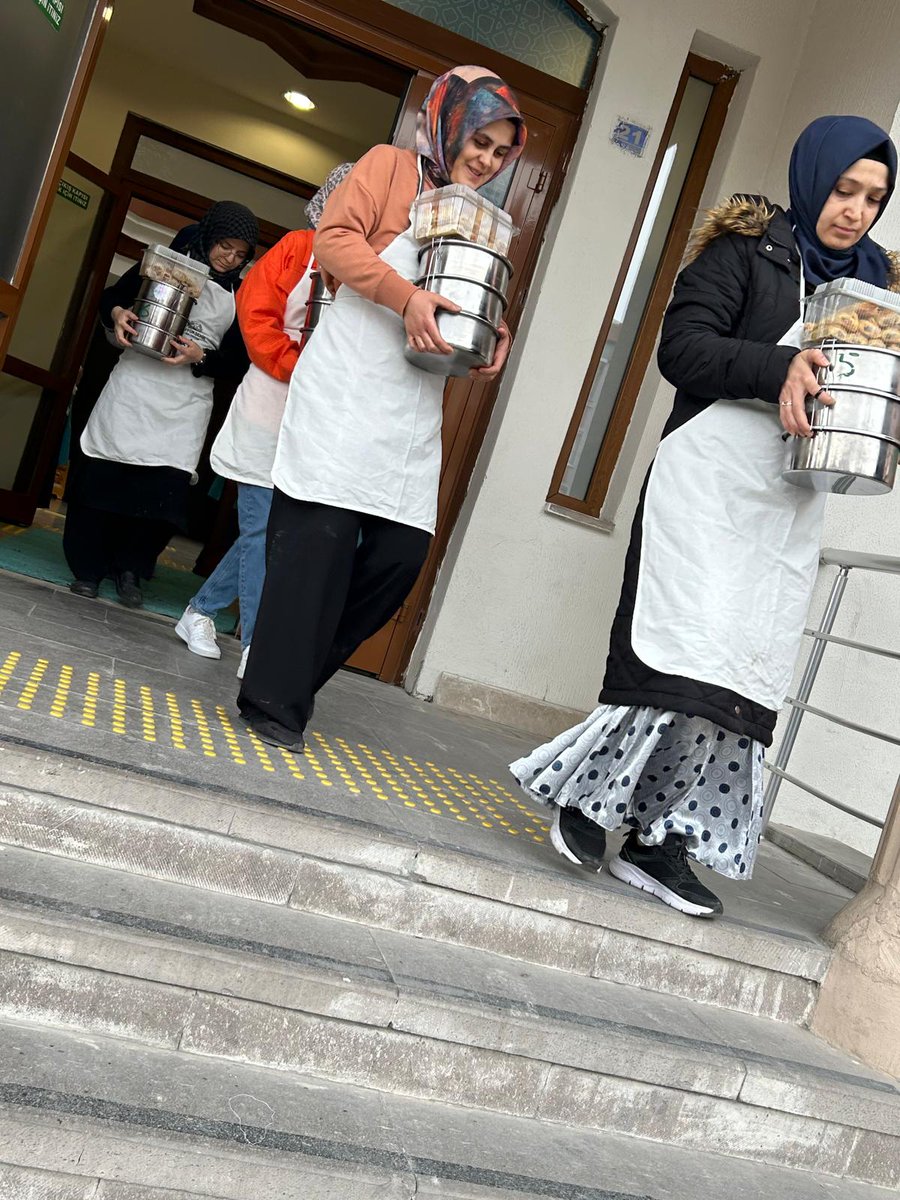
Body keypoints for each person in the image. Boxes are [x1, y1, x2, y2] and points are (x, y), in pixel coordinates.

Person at [511, 116, 898, 918]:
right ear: (812, 176)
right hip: (706, 484)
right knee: (676, 658)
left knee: (736, 683)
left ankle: (663, 842)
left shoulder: (879, 299)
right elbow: (682, 348)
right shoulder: (747, 251)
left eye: (875, 197)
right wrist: (779, 363)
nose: (856, 209)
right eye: (844, 188)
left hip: (785, 509)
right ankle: (590, 802)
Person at [237, 66, 527, 751]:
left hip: (410, 406)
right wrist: (407, 298)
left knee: (400, 555)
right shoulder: (391, 167)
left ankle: (287, 669)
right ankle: (272, 700)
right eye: (478, 140)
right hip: (347, 384)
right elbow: (336, 240)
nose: (484, 159)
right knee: (318, 546)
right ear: (448, 123)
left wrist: (495, 332)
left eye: (498, 150)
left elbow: (471, 293)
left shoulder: (483, 220)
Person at [175, 166, 353, 678]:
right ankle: (256, 647)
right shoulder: (297, 248)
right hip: (268, 403)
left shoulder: (367, 269)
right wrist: (302, 368)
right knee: (261, 529)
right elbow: (257, 318)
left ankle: (200, 611)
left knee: (272, 529)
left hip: (315, 418)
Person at [64, 201, 259, 608]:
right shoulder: (165, 264)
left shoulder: (242, 294)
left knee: (163, 491)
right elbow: (111, 297)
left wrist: (200, 357)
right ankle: (88, 568)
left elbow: (239, 359)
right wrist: (118, 314)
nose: (230, 258)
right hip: (134, 387)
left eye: (241, 254)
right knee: (104, 479)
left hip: (184, 401)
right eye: (226, 246)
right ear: (208, 236)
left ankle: (131, 569)